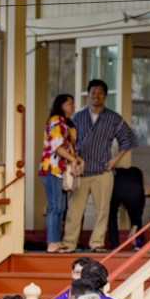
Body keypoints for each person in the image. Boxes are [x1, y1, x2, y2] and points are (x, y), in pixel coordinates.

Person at [61, 80, 138, 253]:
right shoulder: (77, 117)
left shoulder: (113, 118)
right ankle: (69, 243)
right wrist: (73, 160)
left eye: (100, 93)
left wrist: (115, 160)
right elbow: (66, 142)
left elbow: (128, 139)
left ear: (105, 96)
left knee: (102, 210)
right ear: (88, 95)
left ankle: (96, 243)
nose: (96, 96)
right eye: (93, 92)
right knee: (74, 210)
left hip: (103, 171)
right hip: (79, 171)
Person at [38, 94, 82, 253]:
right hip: (52, 169)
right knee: (55, 207)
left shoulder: (67, 123)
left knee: (61, 208)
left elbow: (69, 149)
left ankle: (56, 241)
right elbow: (57, 147)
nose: (73, 106)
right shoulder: (56, 120)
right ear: (61, 105)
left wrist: (78, 160)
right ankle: (52, 242)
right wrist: (73, 160)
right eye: (69, 103)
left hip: (61, 170)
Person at [107, 166, 146, 250]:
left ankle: (114, 244)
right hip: (133, 193)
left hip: (116, 190)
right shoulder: (138, 186)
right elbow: (139, 211)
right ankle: (138, 244)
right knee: (136, 217)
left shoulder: (119, 173)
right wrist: (134, 228)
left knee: (111, 216)